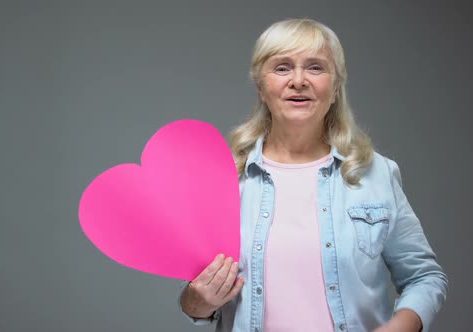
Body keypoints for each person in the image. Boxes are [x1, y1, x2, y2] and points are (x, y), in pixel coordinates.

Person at [178, 18, 448, 332]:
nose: (298, 80)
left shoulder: (376, 173)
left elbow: (424, 277)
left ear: (335, 87)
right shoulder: (225, 178)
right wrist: (194, 303)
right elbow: (196, 294)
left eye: (316, 67)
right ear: (260, 85)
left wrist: (403, 326)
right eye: (281, 67)